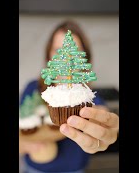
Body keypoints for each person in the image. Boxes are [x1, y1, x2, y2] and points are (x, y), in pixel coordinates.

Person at [19, 20, 119, 173]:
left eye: (74, 51)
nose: (66, 58)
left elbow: (100, 113)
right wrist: (25, 144)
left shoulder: (87, 98)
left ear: (84, 57)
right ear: (48, 55)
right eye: (57, 50)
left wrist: (105, 131)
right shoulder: (32, 89)